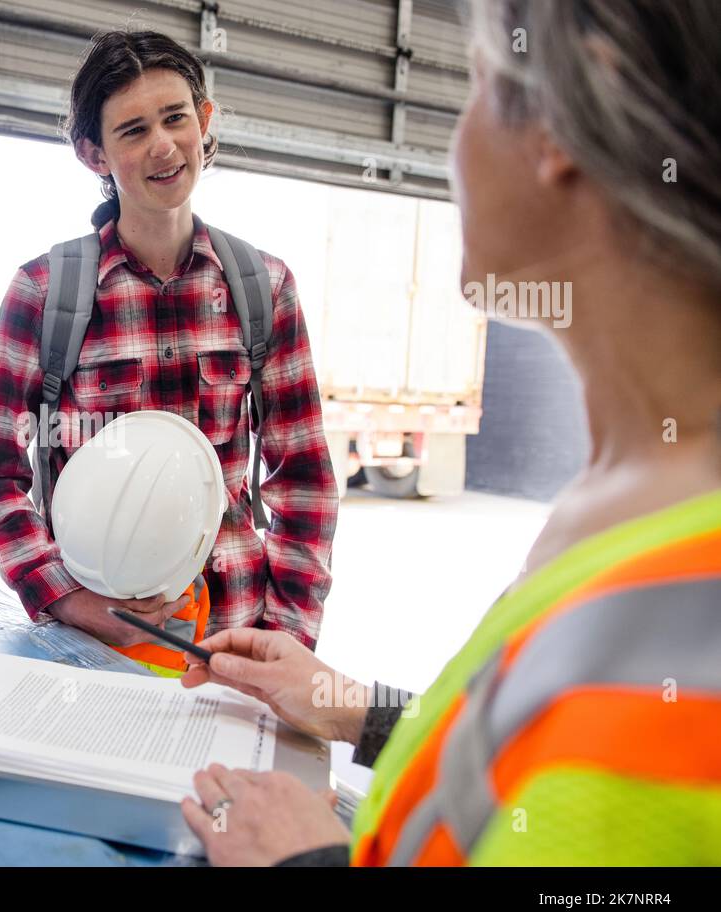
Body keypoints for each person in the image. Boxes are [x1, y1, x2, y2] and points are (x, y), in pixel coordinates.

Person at [180, 0, 721, 866]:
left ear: (559, 123)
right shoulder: (623, 499)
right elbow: (516, 774)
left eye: (473, 87)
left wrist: (308, 861)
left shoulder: (682, 623)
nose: (452, 146)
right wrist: (348, 704)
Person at [0, 30, 338, 666]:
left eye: (175, 118)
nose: (163, 146)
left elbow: (303, 480)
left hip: (234, 638)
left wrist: (287, 638)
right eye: (133, 130)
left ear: (204, 121)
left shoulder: (263, 287)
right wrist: (64, 599)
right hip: (93, 649)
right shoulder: (45, 292)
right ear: (94, 154)